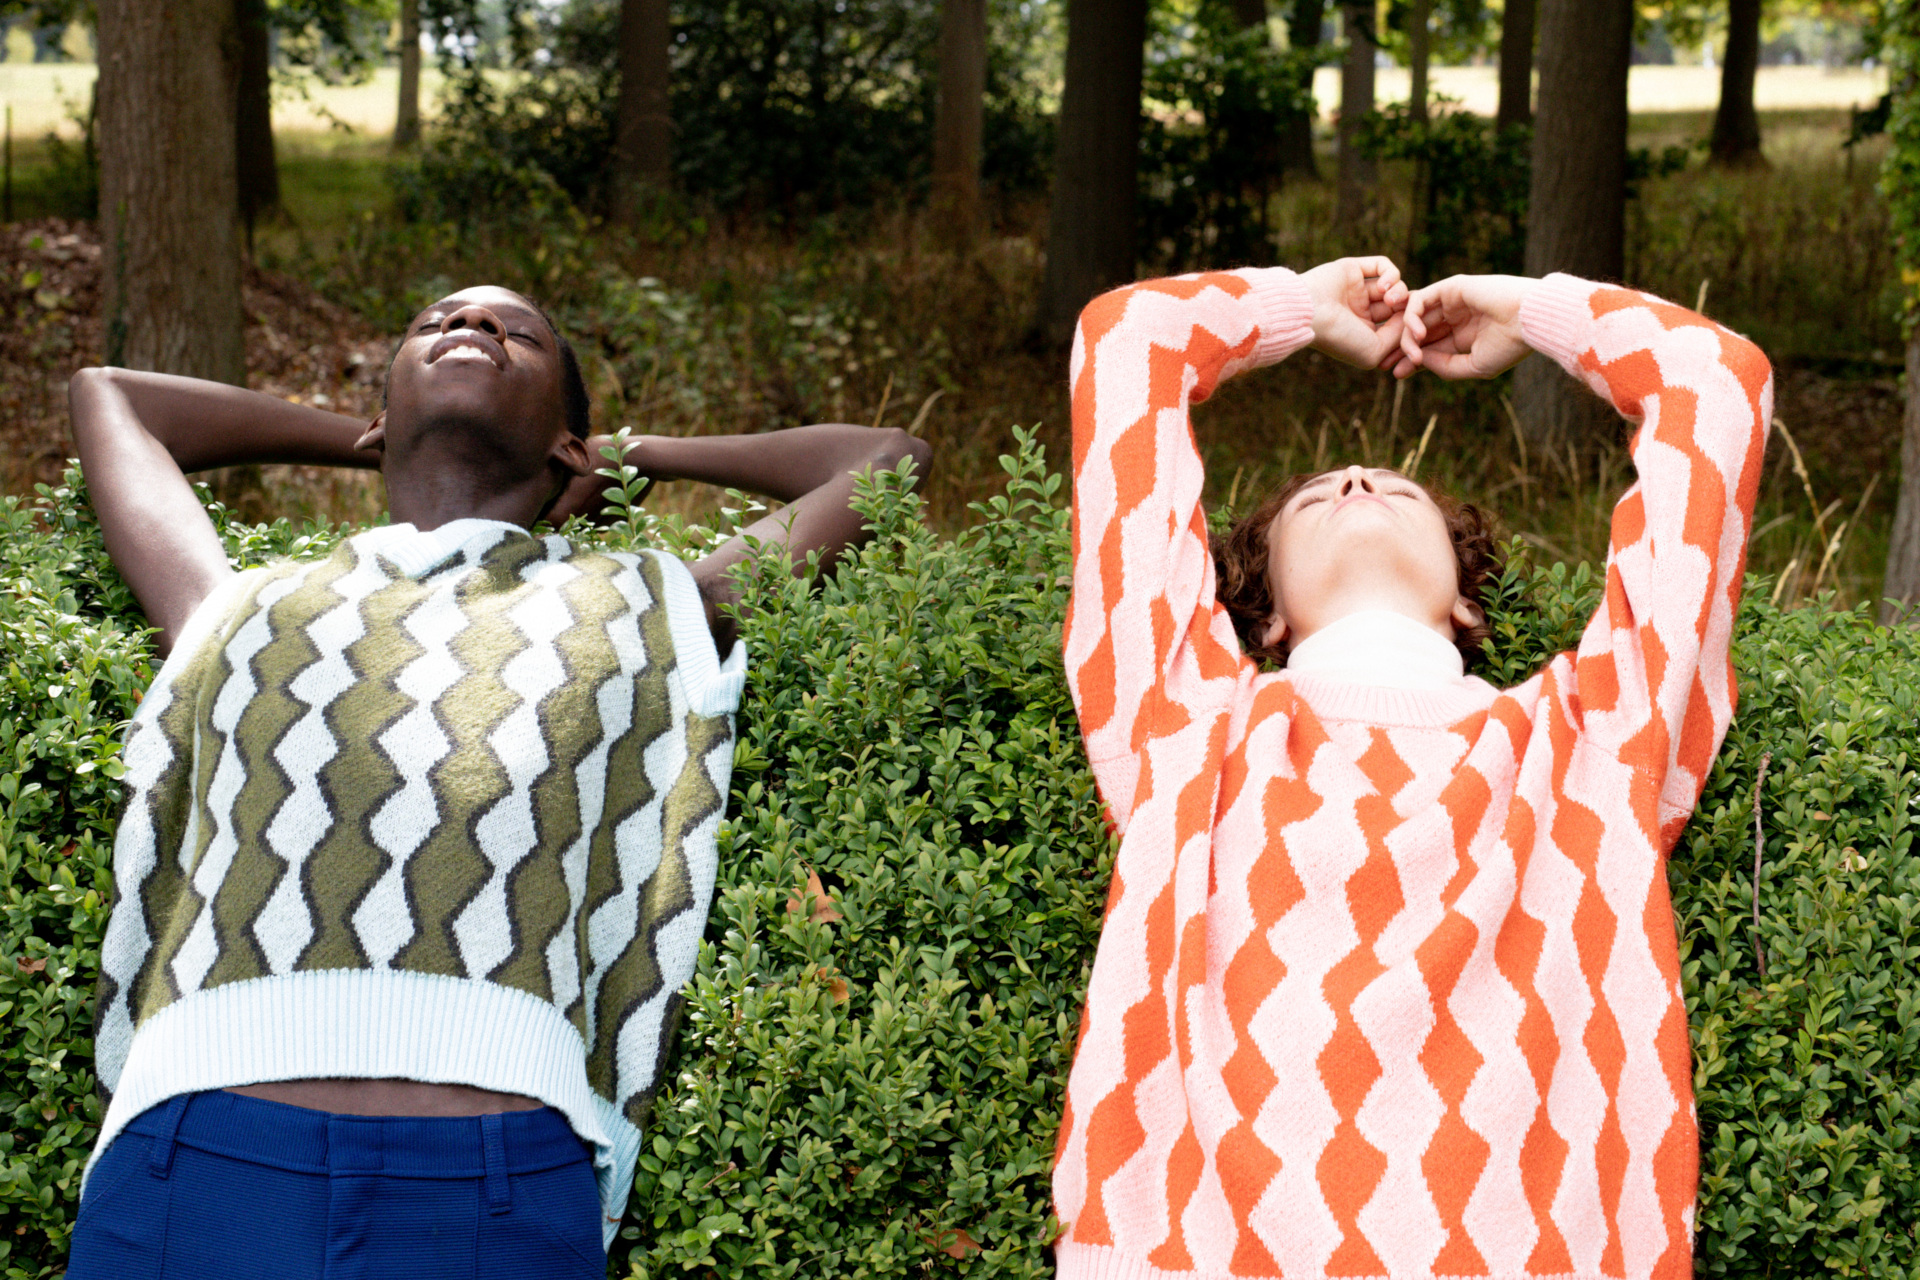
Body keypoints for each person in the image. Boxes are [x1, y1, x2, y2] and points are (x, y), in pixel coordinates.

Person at [65, 286, 930, 1279]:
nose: (472, 327)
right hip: (197, 1158)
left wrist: (621, 456)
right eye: (436, 325)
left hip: (490, 1191)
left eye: (517, 335)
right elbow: (112, 396)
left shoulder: (646, 602)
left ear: (567, 445)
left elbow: (888, 461)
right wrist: (368, 434)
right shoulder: (241, 604)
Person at [1052, 259, 1768, 1280]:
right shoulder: (1187, 725)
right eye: (1317, 496)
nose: (1354, 479)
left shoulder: (1595, 746)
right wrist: (1299, 307)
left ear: (1469, 605)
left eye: (1395, 486)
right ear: (1264, 617)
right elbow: (1127, 339)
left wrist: (1528, 309)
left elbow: (1719, 381)